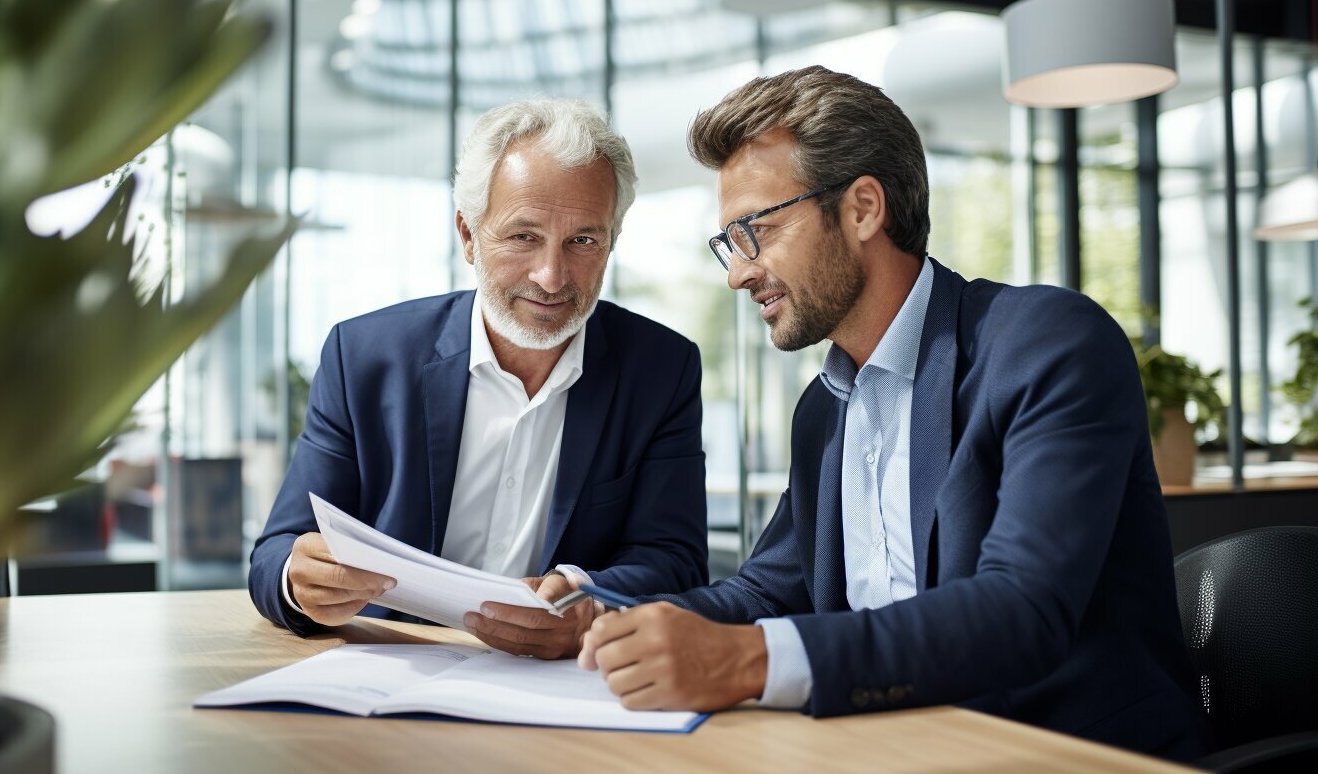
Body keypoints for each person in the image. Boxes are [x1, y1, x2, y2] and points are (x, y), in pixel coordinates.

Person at [577, 66, 1208, 760]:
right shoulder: (824, 409)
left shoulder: (1048, 344)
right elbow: (766, 589)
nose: (738, 272)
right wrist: (597, 617)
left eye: (756, 230)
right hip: (900, 747)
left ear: (863, 209)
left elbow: (1022, 610)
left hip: (1068, 752)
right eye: (729, 241)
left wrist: (751, 661)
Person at [249, 98, 708, 659]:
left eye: (583, 240)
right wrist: (298, 583)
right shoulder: (364, 356)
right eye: (523, 236)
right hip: (389, 663)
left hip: (553, 683)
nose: (552, 276)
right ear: (468, 235)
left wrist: (590, 599)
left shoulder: (660, 368)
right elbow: (278, 551)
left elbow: (676, 559)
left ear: (612, 240)